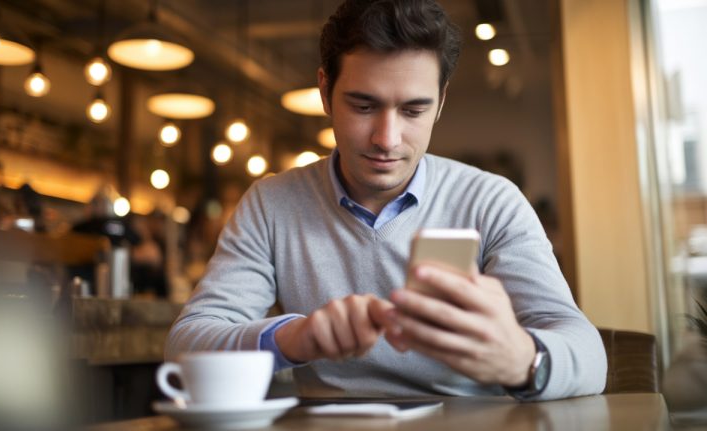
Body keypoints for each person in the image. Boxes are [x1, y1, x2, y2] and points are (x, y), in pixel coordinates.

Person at [166, 0, 606, 400]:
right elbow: (185, 344)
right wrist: (294, 339)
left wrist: (523, 360)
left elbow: (589, 355)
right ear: (325, 92)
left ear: (440, 102)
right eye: (362, 106)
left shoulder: (490, 201)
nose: (386, 139)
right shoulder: (273, 203)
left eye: (413, 111)